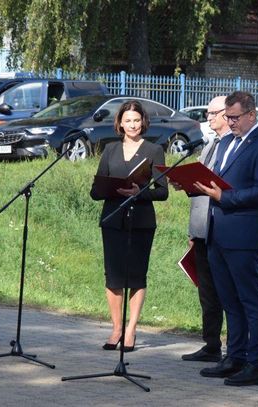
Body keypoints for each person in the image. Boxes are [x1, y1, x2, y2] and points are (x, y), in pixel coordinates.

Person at [194, 91, 258, 386]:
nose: (230, 122)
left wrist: (224, 197)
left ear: (251, 115)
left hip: (244, 234)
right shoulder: (226, 143)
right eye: (227, 117)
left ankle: (256, 364)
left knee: (250, 300)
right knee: (229, 300)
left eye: (234, 117)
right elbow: (217, 180)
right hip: (218, 232)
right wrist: (194, 184)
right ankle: (234, 356)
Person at [90, 100, 168, 352]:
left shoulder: (154, 150)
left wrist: (139, 192)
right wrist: (109, 188)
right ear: (120, 123)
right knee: (113, 277)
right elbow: (95, 191)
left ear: (143, 122)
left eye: (136, 120)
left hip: (141, 221)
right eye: (128, 121)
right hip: (113, 219)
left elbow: (163, 192)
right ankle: (116, 329)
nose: (133, 125)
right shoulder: (110, 149)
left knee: (136, 276)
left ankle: (131, 329)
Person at [179, 96, 230, 362]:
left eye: (212, 113)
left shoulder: (234, 146)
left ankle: (236, 348)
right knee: (207, 292)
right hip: (202, 229)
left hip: (224, 229)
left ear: (227, 114)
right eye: (207, 113)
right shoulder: (210, 144)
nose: (208, 118)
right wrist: (183, 182)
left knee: (228, 291)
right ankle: (211, 345)